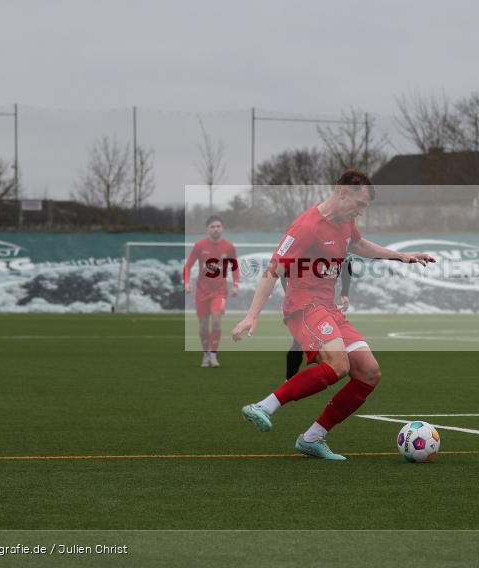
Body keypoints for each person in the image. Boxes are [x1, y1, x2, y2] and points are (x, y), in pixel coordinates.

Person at [231, 170, 435, 460]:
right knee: (338, 364)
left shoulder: (346, 222)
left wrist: (402, 256)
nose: (361, 213)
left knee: (368, 372)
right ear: (343, 193)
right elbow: (273, 269)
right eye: (359, 205)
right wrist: (252, 316)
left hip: (328, 309)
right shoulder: (305, 226)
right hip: (303, 308)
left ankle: (313, 438)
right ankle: (264, 407)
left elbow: (360, 245)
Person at [283, 256, 353, 380]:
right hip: (304, 304)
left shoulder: (340, 241)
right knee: (298, 343)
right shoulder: (303, 243)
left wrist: (344, 292)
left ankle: (330, 371)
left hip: (326, 303)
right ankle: (290, 381)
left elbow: (347, 263)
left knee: (330, 345)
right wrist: (291, 296)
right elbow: (283, 269)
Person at [183, 216, 239, 367]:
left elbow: (234, 266)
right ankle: (206, 354)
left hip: (220, 291)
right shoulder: (200, 245)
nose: (216, 229)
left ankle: (213, 355)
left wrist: (235, 284)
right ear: (208, 229)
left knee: (216, 322)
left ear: (222, 228)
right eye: (213, 226)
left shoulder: (229, 247)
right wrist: (187, 283)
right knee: (202, 326)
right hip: (201, 291)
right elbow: (187, 266)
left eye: (218, 226)